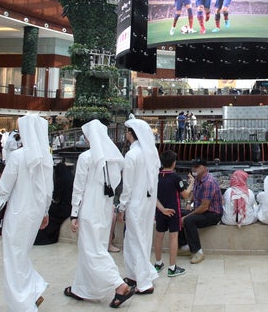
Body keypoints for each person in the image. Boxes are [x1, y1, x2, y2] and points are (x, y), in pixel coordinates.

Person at [0, 115, 54, 311]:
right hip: (35, 214)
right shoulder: (46, 156)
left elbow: (4, 189)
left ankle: (22, 303)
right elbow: (49, 189)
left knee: (13, 257)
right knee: (20, 255)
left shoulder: (17, 156)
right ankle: (34, 290)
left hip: (18, 213)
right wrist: (45, 212)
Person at [65, 119, 133, 308]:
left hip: (89, 210)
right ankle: (82, 288)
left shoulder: (86, 158)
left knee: (91, 251)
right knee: (93, 249)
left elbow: (78, 188)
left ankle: (120, 285)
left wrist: (74, 214)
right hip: (105, 210)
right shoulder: (115, 159)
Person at [118, 118, 160, 294]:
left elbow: (127, 186)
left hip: (135, 203)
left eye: (127, 131)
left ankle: (144, 283)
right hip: (148, 203)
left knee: (137, 240)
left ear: (131, 134)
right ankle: (134, 274)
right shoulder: (151, 154)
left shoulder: (132, 155)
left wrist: (121, 206)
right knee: (137, 238)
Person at [179, 158, 222, 264]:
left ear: (205, 168)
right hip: (202, 210)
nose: (194, 168)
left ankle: (198, 252)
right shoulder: (198, 178)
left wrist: (187, 216)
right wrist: (189, 203)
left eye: (197, 166)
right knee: (178, 213)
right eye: (193, 166)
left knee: (189, 220)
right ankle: (184, 246)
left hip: (213, 214)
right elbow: (194, 192)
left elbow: (204, 207)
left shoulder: (208, 182)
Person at [153, 150, 189, 277]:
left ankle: (158, 263)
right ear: (174, 163)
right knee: (173, 237)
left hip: (160, 210)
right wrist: (192, 185)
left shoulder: (156, 176)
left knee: (159, 236)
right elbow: (185, 195)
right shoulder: (175, 178)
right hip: (173, 210)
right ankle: (172, 267)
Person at [35, 159, 74, 245]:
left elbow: (57, 197)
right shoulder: (71, 178)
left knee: (49, 212)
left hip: (63, 208)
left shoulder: (60, 181)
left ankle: (43, 237)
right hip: (70, 207)